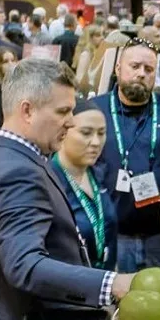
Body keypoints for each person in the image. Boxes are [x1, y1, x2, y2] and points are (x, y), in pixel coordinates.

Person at [0, 58, 134, 320]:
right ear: (27, 110)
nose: (71, 121)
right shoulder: (20, 172)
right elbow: (24, 266)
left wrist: (3, 304)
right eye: (63, 111)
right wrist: (110, 284)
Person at [93, 37, 160, 272]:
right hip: (112, 236)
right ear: (118, 68)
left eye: (149, 69)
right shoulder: (95, 110)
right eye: (134, 66)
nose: (141, 74)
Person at [50, 99, 118, 270]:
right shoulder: (49, 180)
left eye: (101, 133)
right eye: (86, 133)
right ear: (63, 132)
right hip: (68, 281)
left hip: (104, 278)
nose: (96, 142)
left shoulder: (100, 174)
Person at [73, 25, 103, 92]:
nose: (102, 38)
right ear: (90, 38)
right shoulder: (86, 54)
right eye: (98, 35)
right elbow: (79, 78)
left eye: (101, 35)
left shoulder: (95, 53)